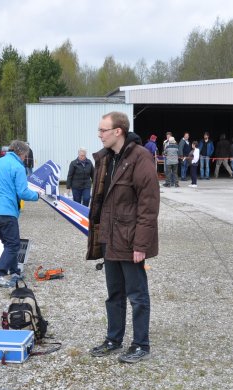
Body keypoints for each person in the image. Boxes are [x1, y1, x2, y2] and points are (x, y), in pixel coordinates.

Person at [87, 111, 160, 365]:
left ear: (118, 131)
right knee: (114, 294)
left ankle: (141, 344)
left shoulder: (140, 158)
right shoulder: (107, 159)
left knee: (137, 296)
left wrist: (141, 244)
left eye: (103, 130)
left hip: (130, 241)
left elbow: (148, 205)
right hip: (110, 238)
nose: (99, 135)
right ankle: (113, 339)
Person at [0, 140, 39, 287]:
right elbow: (23, 192)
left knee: (9, 243)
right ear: (21, 153)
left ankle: (15, 271)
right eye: (25, 155)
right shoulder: (17, 166)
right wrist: (37, 195)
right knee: (14, 244)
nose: (25, 158)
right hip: (6, 209)